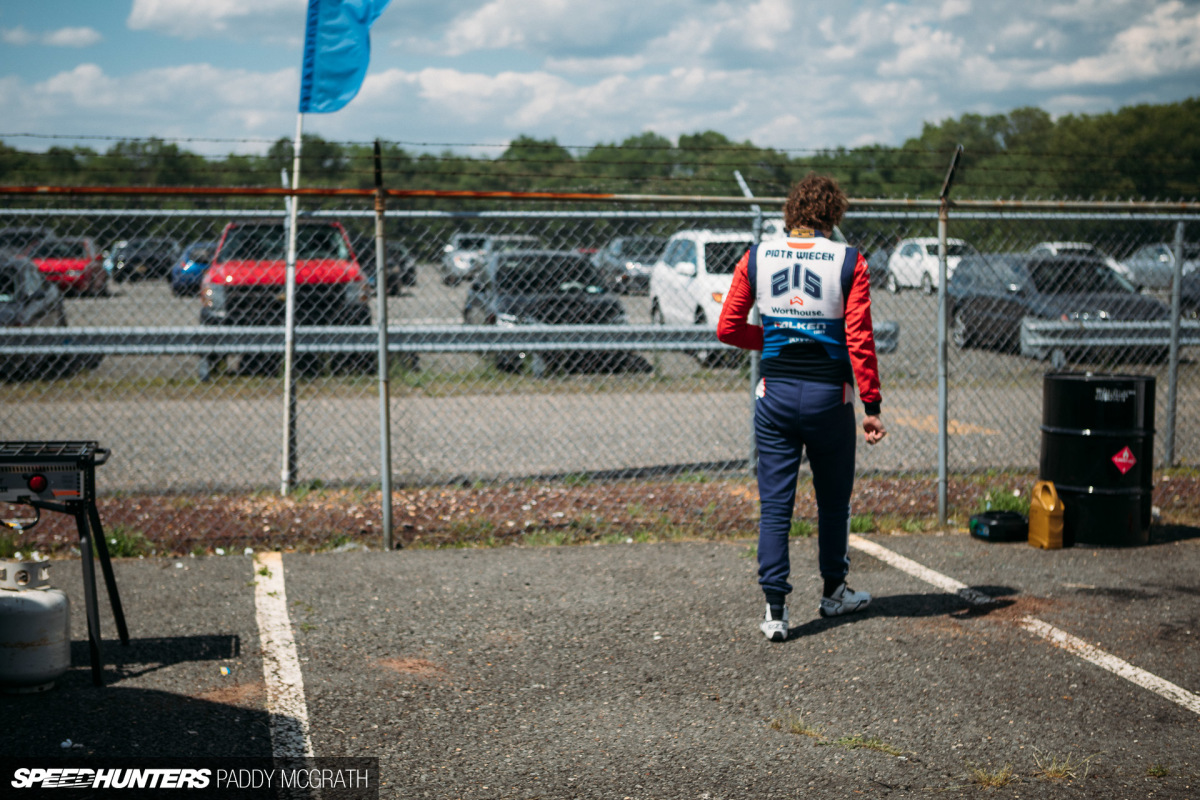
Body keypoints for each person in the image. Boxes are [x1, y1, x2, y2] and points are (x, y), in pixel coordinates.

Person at [717, 173, 886, 642]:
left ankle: (776, 611)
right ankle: (834, 592)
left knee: (775, 507)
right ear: (834, 214)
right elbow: (859, 339)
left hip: (775, 395)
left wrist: (771, 338)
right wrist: (871, 405)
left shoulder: (757, 256)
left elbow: (728, 328)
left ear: (791, 212)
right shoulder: (850, 261)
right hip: (830, 398)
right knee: (834, 503)